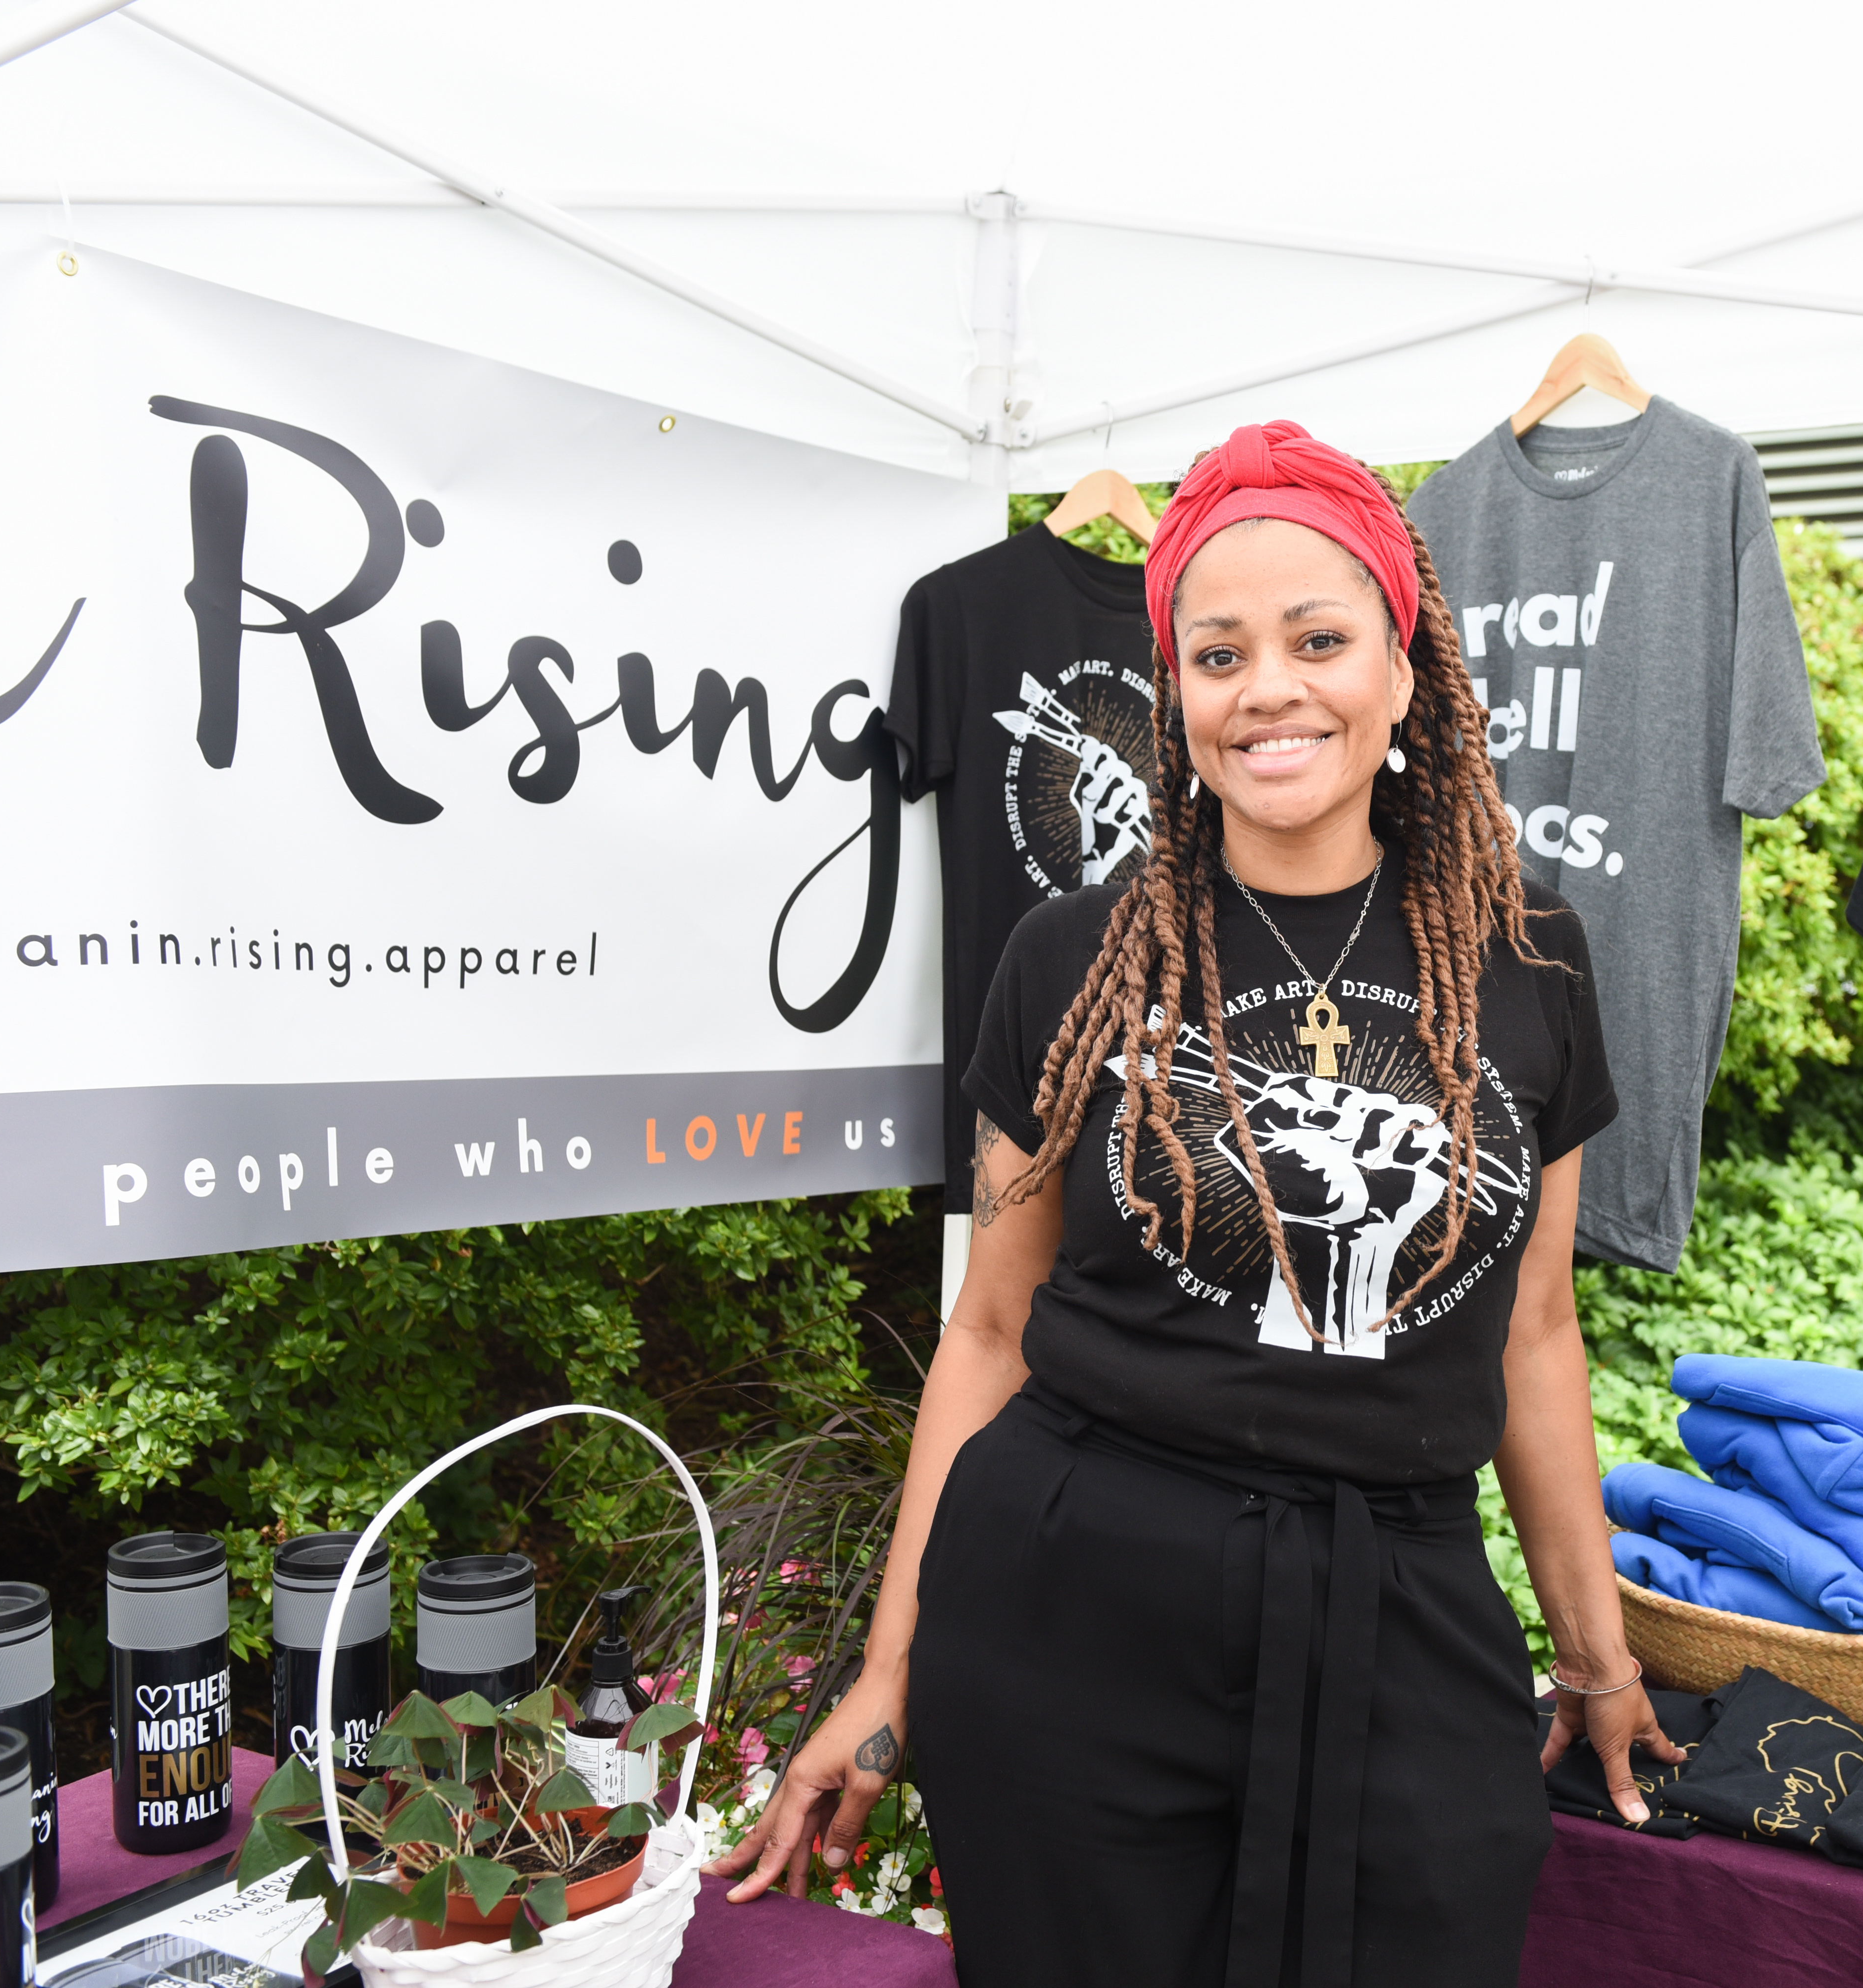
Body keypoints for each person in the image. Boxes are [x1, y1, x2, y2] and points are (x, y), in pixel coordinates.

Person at [709, 421, 1678, 1986]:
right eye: (1217, 653)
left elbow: (1538, 1334)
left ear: (1403, 665)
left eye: (1319, 639)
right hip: (1072, 1605)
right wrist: (887, 1676)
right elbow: (996, 1326)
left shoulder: (1534, 961)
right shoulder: (1070, 959)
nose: (1270, 689)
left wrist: (1595, 1650)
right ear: (1175, 693)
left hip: (1398, 1597)